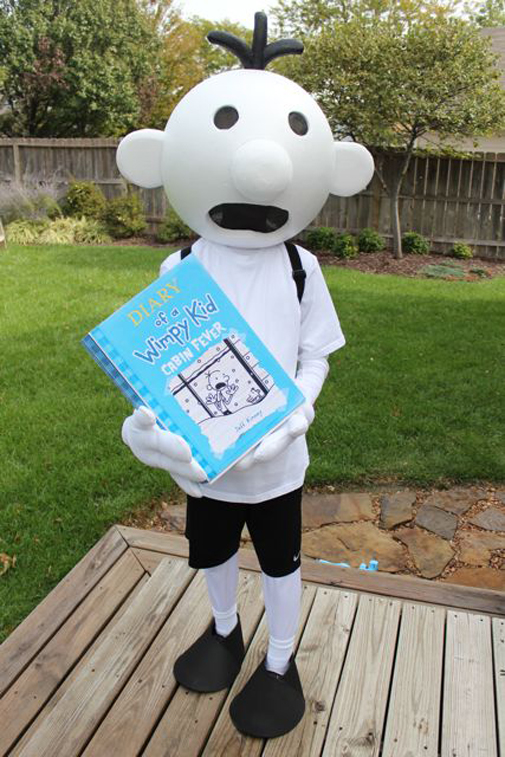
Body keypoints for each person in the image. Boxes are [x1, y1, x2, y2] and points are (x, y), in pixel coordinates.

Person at [116, 12, 374, 738]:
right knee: (211, 549)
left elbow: (315, 354)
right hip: (206, 462)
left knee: (283, 561)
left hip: (278, 463)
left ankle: (281, 659)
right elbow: (162, 359)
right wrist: (151, 419)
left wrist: (297, 412)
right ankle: (225, 628)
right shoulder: (180, 267)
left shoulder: (301, 267)